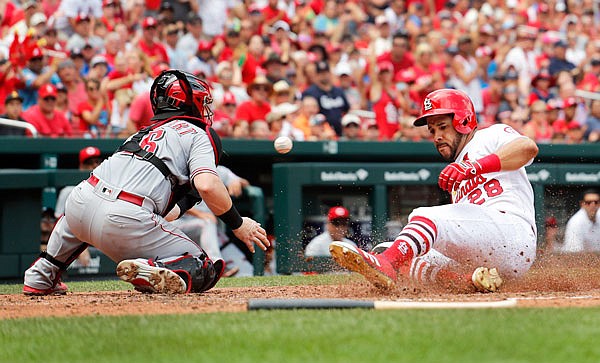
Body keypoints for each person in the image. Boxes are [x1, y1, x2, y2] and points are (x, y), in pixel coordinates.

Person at [23, 70, 269, 296]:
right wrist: (238, 224)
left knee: (86, 204)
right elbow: (207, 185)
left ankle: (41, 275)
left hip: (80, 202)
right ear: (186, 103)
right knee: (202, 267)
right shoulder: (198, 133)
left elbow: (169, 211)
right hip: (126, 219)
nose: (206, 109)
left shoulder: (141, 133)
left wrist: (184, 203)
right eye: (203, 102)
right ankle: (149, 266)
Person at [329, 89, 539, 293]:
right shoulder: (457, 166)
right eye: (432, 131)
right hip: (486, 254)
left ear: (463, 121)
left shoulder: (489, 135)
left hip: (513, 234)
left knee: (423, 216)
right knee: (387, 248)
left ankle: (386, 264)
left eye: (442, 127)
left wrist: (473, 167)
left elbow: (527, 148)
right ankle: (469, 283)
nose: (437, 136)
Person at [53, 147, 105, 267]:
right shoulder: (69, 191)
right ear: (81, 166)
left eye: (97, 162)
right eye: (89, 163)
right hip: (78, 241)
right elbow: (60, 225)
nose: (94, 166)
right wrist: (81, 247)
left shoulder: (109, 189)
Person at [561, 189, 600, 253]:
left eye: (596, 202)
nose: (592, 205)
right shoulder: (575, 223)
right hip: (583, 259)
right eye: (588, 202)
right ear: (582, 204)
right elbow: (574, 254)